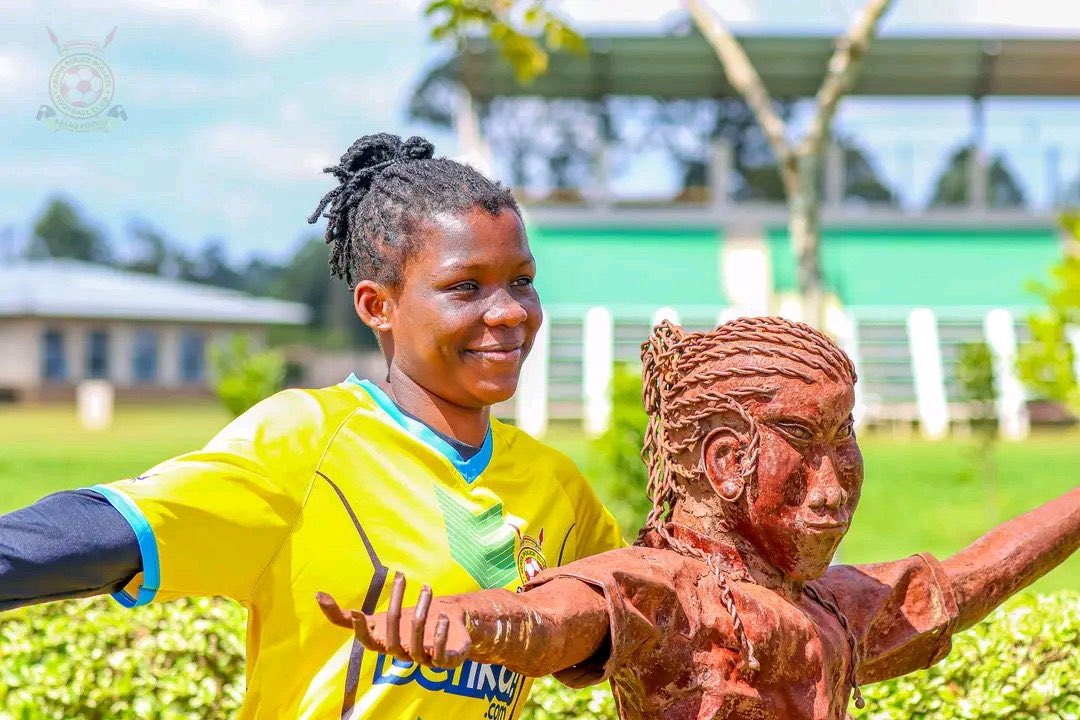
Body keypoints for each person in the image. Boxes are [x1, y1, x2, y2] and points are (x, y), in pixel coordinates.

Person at [0, 133, 623, 719]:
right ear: (378, 306)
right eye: (465, 287)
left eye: (522, 281)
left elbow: (630, 618)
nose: (510, 311)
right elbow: (112, 529)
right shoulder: (307, 441)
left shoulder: (556, 486)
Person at [322, 316, 1080, 720]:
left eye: (845, 439)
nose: (835, 487)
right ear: (723, 460)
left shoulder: (827, 608)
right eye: (804, 446)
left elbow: (973, 576)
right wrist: (469, 622)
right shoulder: (667, 589)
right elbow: (560, 613)